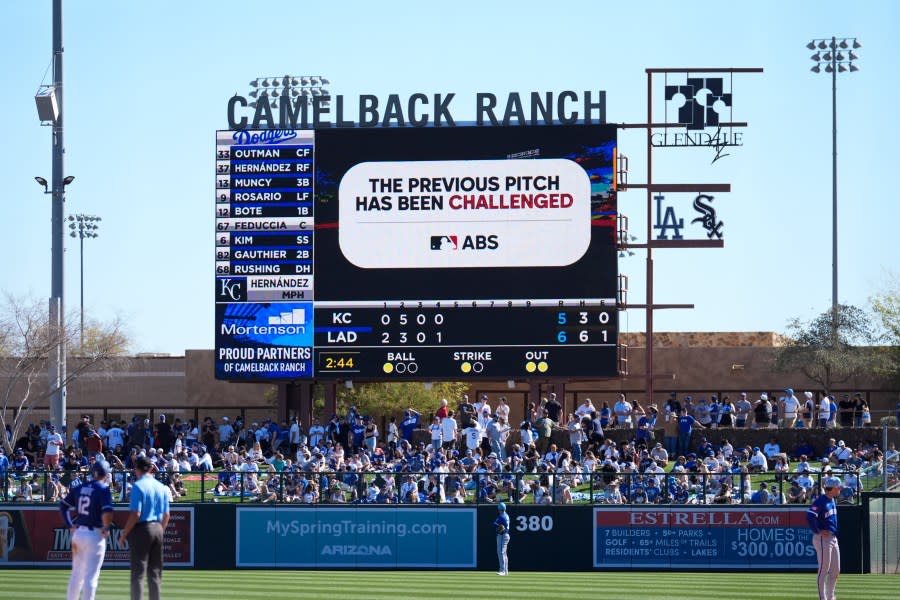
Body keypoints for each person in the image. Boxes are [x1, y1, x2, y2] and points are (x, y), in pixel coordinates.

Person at [59, 460, 114, 600]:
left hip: (79, 534)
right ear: (106, 474)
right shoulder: (103, 489)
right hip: (94, 534)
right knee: (91, 577)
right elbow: (107, 512)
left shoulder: (80, 487)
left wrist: (70, 525)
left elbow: (63, 506)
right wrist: (107, 527)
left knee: (77, 574)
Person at [118, 456, 171, 600]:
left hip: (142, 529)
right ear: (151, 468)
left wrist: (124, 534)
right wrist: (161, 530)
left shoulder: (138, 485)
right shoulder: (161, 486)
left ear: (137, 469)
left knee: (138, 573)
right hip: (157, 529)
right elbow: (167, 514)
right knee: (155, 573)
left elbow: (136, 513)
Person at [807, 476, 842, 600]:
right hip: (823, 539)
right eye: (838, 487)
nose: (840, 489)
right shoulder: (820, 501)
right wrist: (818, 531)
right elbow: (810, 516)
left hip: (833, 538)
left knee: (835, 570)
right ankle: (823, 598)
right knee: (824, 569)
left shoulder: (832, 500)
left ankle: (831, 596)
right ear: (831, 488)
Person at [493, 502, 510, 576]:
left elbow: (493, 524)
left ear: (499, 509)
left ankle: (502, 570)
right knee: (504, 553)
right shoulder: (506, 515)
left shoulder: (501, 516)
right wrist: (499, 526)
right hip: (506, 535)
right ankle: (505, 571)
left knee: (501, 552)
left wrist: (498, 525)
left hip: (503, 535)